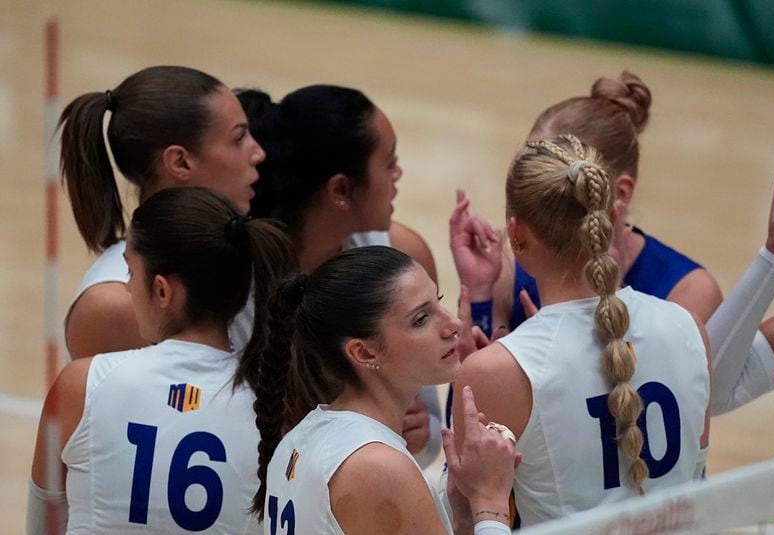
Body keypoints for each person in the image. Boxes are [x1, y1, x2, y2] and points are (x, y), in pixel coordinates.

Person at [451, 72, 774, 417]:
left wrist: (562, 342)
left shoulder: (689, 289)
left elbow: (697, 403)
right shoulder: (512, 263)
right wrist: (478, 294)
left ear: (620, 192)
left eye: (553, 176)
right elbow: (468, 421)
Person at [452, 135, 711, 527]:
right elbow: (697, 482)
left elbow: (466, 519)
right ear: (606, 221)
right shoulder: (689, 328)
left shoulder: (497, 372)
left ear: (516, 234)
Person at [28, 187, 297, 533]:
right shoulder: (276, 412)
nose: (126, 288)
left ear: (162, 291)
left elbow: (41, 525)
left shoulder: (81, 386)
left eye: (130, 272)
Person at [237, 86, 441, 467]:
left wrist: (421, 430)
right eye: (388, 162)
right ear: (342, 189)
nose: (398, 174)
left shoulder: (402, 255)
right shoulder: (235, 278)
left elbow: (428, 437)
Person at [252, 245, 519, 534]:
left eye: (438, 302)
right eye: (421, 319)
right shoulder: (378, 466)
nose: (453, 324)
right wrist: (490, 502)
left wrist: (464, 520)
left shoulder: (301, 437)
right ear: (364, 353)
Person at [60, 65, 265, 360]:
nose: (258, 153)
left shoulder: (242, 247)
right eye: (238, 138)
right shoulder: (116, 305)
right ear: (180, 162)